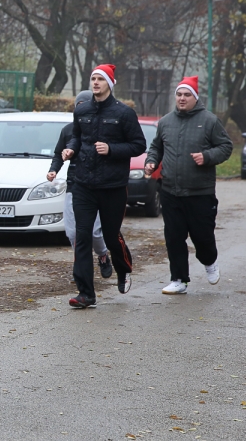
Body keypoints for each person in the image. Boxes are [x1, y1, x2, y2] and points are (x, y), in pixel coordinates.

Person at [61, 64, 147, 308]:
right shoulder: (82, 111)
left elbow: (138, 145)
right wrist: (71, 148)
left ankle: (123, 269)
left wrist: (112, 149)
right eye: (93, 79)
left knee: (110, 236)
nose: (95, 82)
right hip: (83, 185)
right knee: (81, 236)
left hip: (113, 187)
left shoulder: (124, 113)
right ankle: (86, 293)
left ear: (110, 83)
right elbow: (77, 136)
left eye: (100, 79)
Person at [144, 76, 233, 295]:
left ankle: (210, 261)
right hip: (170, 191)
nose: (182, 98)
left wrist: (207, 156)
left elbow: (226, 147)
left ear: (195, 98)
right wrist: (151, 161)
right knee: (174, 237)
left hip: (200, 192)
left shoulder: (209, 121)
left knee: (202, 237)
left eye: (187, 95)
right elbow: (156, 147)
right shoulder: (165, 122)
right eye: (179, 94)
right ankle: (178, 279)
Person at [47, 90, 112, 280]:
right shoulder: (68, 130)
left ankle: (102, 255)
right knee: (73, 232)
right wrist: (54, 170)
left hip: (95, 188)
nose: (82, 109)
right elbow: (58, 154)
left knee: (94, 232)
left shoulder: (101, 128)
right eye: (79, 106)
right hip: (74, 186)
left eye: (86, 105)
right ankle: (81, 267)